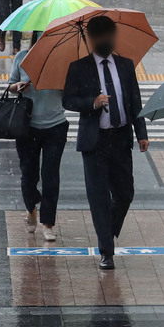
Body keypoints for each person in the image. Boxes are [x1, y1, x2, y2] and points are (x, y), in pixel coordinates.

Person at [62, 15, 149, 270]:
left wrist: (141, 132)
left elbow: (134, 101)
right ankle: (106, 251)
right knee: (98, 197)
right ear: (91, 39)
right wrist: (92, 102)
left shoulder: (125, 64)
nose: (106, 41)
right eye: (101, 37)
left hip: (121, 138)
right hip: (94, 142)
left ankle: (106, 232)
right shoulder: (79, 68)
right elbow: (67, 100)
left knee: (125, 193)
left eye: (110, 36)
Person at [9, 32, 69, 241]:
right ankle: (31, 207)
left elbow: (70, 95)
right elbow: (10, 86)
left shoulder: (62, 62)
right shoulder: (22, 58)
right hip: (27, 127)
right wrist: (19, 87)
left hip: (56, 126)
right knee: (28, 175)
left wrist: (64, 85)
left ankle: (48, 223)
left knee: (51, 175)